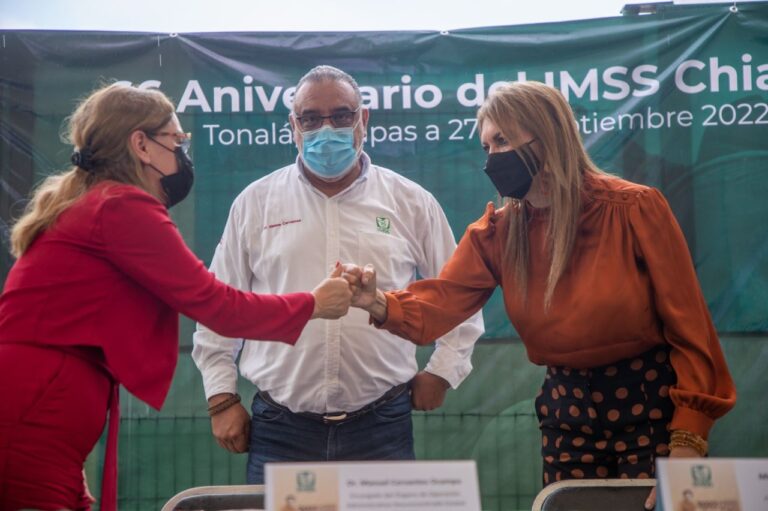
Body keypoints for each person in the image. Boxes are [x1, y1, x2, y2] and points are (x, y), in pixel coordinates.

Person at [343, 81, 736, 510]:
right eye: (487, 146)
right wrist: (377, 302)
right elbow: (441, 301)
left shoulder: (635, 209)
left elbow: (691, 329)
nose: (493, 157)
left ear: (548, 137)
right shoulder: (495, 233)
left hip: (651, 407)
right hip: (566, 412)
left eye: (503, 140)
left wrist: (688, 440)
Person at [0, 83, 352, 511]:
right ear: (141, 145)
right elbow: (216, 304)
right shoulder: (121, 205)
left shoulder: (91, 203)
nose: (183, 155)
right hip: (37, 403)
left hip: (39, 400)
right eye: (177, 141)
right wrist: (314, 304)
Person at [191, 65, 483, 483]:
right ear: (293, 125)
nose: (326, 128)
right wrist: (221, 398)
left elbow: (459, 298)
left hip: (381, 426)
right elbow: (219, 308)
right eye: (311, 118)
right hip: (280, 430)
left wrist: (443, 370)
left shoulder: (411, 202)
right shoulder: (255, 204)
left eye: (342, 115)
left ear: (363, 119)